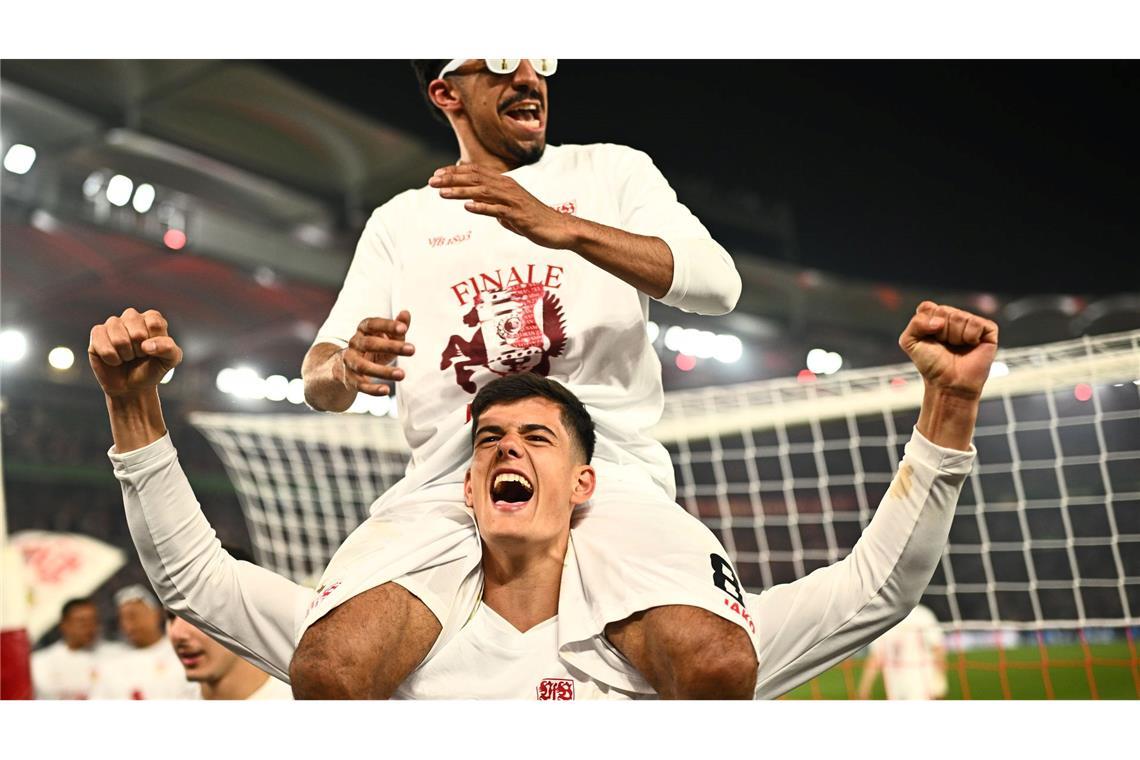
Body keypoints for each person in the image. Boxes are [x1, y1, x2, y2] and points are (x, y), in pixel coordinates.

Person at [92, 300, 995, 698]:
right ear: (468, 487)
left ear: (584, 486)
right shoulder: (383, 642)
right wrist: (133, 408)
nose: (504, 451)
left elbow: (878, 588)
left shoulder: (673, 648)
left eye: (534, 439)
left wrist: (948, 407)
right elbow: (198, 580)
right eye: (486, 441)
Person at [289, 57, 757, 699]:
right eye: (501, 61)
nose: (529, 76)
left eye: (542, 59)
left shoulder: (611, 171)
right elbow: (319, 379)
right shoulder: (402, 220)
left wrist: (563, 228)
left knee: (717, 664)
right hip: (450, 491)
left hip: (607, 478)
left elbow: (719, 285)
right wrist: (344, 365)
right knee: (328, 671)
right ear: (445, 91)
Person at [88, 585, 196, 699]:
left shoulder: (182, 651)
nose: (127, 625)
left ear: (156, 613)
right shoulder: (111, 663)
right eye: (122, 618)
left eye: (133, 616)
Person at [167, 610, 292, 700]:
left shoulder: (299, 696)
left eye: (196, 614)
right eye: (171, 616)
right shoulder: (173, 697)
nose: (177, 634)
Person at [31, 597, 124, 699]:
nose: (90, 627)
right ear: (64, 625)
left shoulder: (118, 655)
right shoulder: (40, 663)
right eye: (82, 622)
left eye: (93, 621)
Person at [857, 604, 948, 700]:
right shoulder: (881, 619)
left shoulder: (922, 615)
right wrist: (864, 688)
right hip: (894, 685)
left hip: (921, 685)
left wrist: (940, 678)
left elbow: (938, 648)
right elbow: (876, 657)